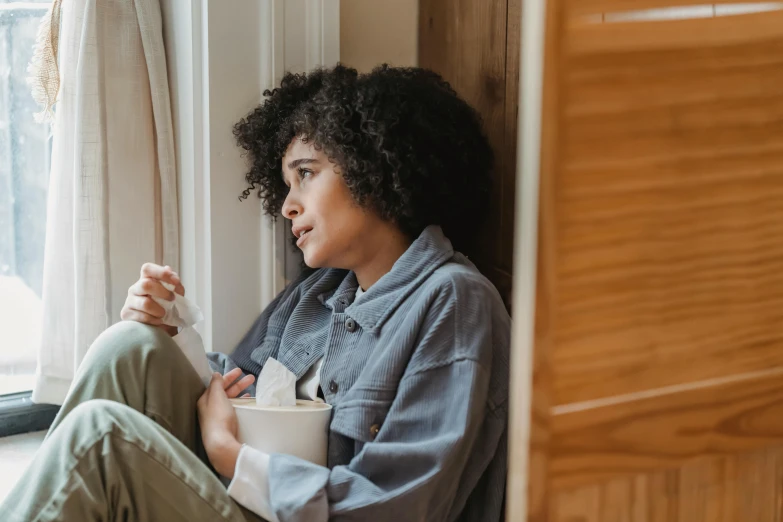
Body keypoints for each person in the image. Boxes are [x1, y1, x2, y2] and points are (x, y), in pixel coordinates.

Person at [2, 64, 510, 522]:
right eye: (286, 185)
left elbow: (396, 504)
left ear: (376, 167)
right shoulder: (318, 295)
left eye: (305, 175)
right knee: (127, 346)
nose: (287, 206)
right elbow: (237, 383)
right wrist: (167, 326)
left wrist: (232, 455)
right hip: (250, 504)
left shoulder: (455, 302)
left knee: (102, 436)